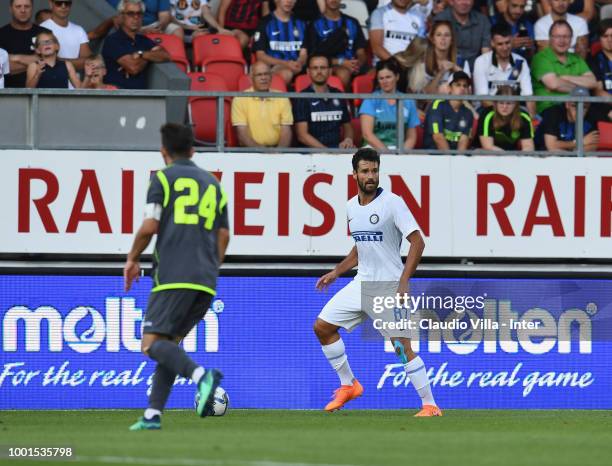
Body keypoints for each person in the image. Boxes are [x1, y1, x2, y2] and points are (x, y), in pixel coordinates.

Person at [313, 148, 441, 417]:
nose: (371, 176)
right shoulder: (350, 206)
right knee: (323, 327)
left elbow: (418, 241)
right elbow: (361, 247)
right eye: (365, 171)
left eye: (374, 170)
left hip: (389, 287)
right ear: (355, 175)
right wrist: (337, 271)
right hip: (362, 283)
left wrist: (404, 281)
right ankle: (349, 385)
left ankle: (430, 405)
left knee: (402, 348)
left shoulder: (393, 202)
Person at [124, 123, 228, 430]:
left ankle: (202, 377)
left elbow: (149, 227)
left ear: (163, 151)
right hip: (206, 280)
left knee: (150, 344)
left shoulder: (163, 179)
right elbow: (224, 234)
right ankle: (153, 414)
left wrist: (131, 259)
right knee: (169, 344)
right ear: (193, 150)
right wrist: (211, 265)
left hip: (172, 277)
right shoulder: (213, 184)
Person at [530, 20, 596, 114]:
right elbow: (554, 84)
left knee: (598, 114)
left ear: (571, 39)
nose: (562, 41)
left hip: (578, 107)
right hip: (551, 107)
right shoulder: (540, 58)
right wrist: (581, 90)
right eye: (557, 36)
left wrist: (564, 78)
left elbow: (593, 82)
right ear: (550, 39)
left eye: (566, 36)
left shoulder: (576, 58)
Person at [102, 0, 171, 89]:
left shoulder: (143, 40)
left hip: (141, 97)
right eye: (130, 13)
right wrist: (150, 57)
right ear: (121, 16)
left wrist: (141, 54)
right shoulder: (113, 40)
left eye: (139, 13)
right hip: (117, 97)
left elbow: (165, 55)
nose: (136, 17)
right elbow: (133, 68)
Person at [473, 22, 535, 116]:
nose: (505, 48)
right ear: (492, 43)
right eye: (500, 44)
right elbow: (484, 100)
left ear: (512, 41)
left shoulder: (521, 61)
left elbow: (529, 97)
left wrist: (532, 120)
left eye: (507, 43)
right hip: (488, 110)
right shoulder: (481, 62)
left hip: (515, 111)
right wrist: (505, 114)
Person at [292, 54, 354, 149]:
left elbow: (348, 125)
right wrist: (327, 151)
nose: (319, 71)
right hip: (310, 154)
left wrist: (348, 139)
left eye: (323, 68)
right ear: (308, 72)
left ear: (330, 71)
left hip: (337, 150)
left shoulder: (338, 94)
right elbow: (302, 135)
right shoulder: (302, 97)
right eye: (315, 68)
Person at [359, 58, 420, 151]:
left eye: (388, 77)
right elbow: (367, 134)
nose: (385, 81)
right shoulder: (370, 100)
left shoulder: (408, 101)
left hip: (399, 150)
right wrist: (387, 153)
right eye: (381, 78)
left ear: (397, 77)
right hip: (373, 149)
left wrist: (402, 153)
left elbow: (411, 136)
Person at [305, 0, 368, 90]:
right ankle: (343, 103)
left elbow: (361, 52)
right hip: (329, 65)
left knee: (376, 73)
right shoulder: (315, 24)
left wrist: (358, 64)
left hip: (352, 64)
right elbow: (313, 57)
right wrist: (342, 62)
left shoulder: (352, 22)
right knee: (343, 73)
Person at [231, 61, 293, 147]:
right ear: (251, 78)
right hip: (250, 151)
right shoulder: (239, 99)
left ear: (271, 77)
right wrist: (262, 152)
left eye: (266, 74)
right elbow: (242, 134)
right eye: (259, 75)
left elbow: (286, 130)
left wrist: (279, 152)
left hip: (277, 151)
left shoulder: (282, 97)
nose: (263, 78)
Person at [253, 0, 308, 85]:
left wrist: (299, 63)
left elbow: (304, 53)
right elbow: (260, 55)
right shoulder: (265, 22)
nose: (289, 1)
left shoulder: (302, 23)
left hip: (299, 68)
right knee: (286, 73)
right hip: (274, 67)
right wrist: (285, 64)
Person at [0, 0, 51, 88]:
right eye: (18, 6)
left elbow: (50, 61)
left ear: (32, 8)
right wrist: (36, 61)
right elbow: (1, 68)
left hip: (42, 93)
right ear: (11, 9)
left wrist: (14, 58)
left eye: (27, 6)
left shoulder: (45, 33)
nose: (23, 10)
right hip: (9, 94)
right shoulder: (1, 34)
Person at [423, 70, 474, 151]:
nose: (462, 88)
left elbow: (463, 142)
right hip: (433, 156)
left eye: (465, 86)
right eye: (458, 85)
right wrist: (451, 161)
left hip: (455, 159)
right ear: (449, 88)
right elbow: (438, 138)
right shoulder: (437, 106)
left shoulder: (468, 113)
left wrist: (458, 160)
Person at [434, 0, 491, 69]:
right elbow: (437, 54)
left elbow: (486, 54)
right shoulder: (440, 20)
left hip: (476, 70)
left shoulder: (482, 21)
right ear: (451, 2)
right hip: (447, 70)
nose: (464, 2)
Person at [477, 85, 534, 151]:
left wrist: (518, 158)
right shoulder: (487, 115)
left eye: (509, 103)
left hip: (513, 153)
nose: (504, 107)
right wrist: (507, 157)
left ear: (515, 104)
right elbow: (488, 146)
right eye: (501, 103)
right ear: (495, 103)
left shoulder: (524, 116)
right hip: (490, 154)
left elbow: (528, 146)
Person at [369, 0, 426, 65]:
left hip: (410, 67)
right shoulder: (379, 14)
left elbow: (420, 47)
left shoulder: (418, 17)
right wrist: (398, 65)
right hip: (384, 67)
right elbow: (377, 49)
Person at [40, 0, 92, 70]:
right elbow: (47, 61)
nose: (63, 6)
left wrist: (59, 61)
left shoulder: (79, 30)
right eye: (59, 3)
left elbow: (90, 62)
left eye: (67, 3)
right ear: (51, 4)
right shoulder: (42, 28)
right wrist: (79, 62)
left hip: (75, 81)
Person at [421, 20, 466, 94]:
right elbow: (425, 96)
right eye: (439, 35)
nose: (443, 38)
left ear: (451, 40)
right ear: (433, 39)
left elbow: (467, 92)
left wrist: (456, 69)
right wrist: (441, 72)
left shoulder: (460, 61)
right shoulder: (423, 62)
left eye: (447, 35)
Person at [535, 101, 600, 151]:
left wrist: (573, 154)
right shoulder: (554, 113)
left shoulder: (591, 114)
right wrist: (580, 142)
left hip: (573, 154)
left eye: (584, 107)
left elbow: (593, 145)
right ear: (567, 104)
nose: (579, 110)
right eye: (574, 106)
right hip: (544, 153)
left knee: (592, 157)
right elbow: (551, 146)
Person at [169, 0, 234, 43]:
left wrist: (219, 28)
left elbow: (207, 14)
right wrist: (187, 27)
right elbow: (170, 17)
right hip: (181, 29)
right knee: (201, 36)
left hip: (198, 29)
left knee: (223, 36)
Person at [588, 19, 612, 97]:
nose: (609, 40)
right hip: (605, 106)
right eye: (605, 36)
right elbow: (598, 92)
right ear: (599, 39)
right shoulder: (594, 61)